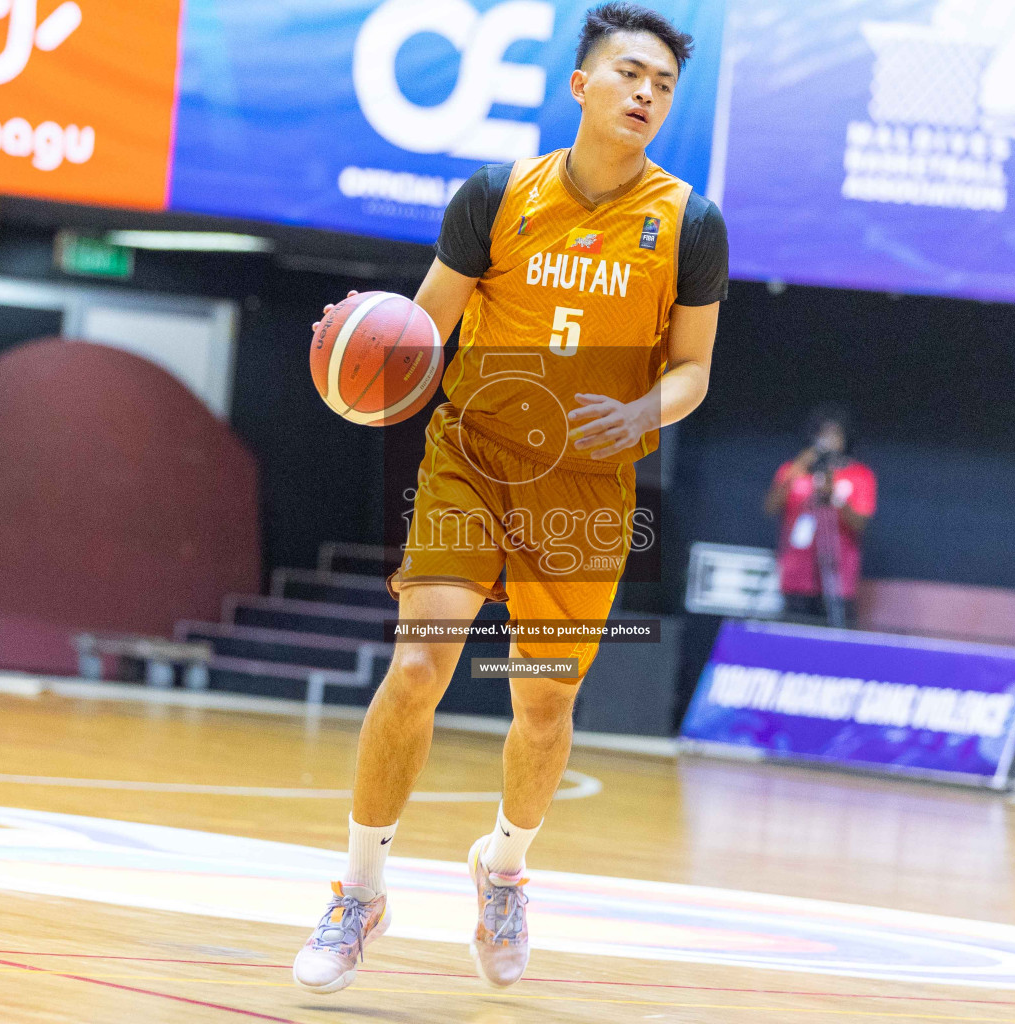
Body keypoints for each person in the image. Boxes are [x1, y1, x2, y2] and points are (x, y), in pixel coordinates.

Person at [293, 2, 728, 995]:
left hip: (587, 483)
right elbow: (422, 330)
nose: (646, 93)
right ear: (582, 85)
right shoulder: (495, 194)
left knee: (543, 704)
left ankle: (503, 868)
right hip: (474, 455)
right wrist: (363, 355)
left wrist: (645, 409)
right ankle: (359, 891)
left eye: (663, 84)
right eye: (629, 73)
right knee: (419, 662)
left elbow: (694, 369)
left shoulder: (690, 223)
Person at [764, 405, 876, 627]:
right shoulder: (794, 470)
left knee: (833, 642)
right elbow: (770, 507)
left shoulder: (859, 475)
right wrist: (799, 466)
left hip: (837, 577)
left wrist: (834, 497)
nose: (828, 440)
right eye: (822, 434)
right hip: (796, 574)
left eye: (835, 434)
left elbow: (860, 524)